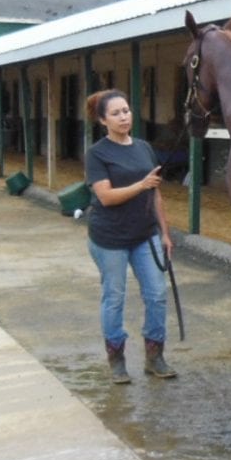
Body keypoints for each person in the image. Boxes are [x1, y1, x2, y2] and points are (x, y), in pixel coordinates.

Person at [84, 89, 177, 383]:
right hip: (109, 237)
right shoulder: (96, 154)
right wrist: (141, 185)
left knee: (157, 294)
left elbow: (156, 193)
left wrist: (164, 232)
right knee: (114, 297)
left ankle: (155, 355)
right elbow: (106, 196)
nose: (124, 117)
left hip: (145, 234)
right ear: (102, 120)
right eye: (115, 113)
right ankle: (117, 360)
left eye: (126, 110)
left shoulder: (143, 147)